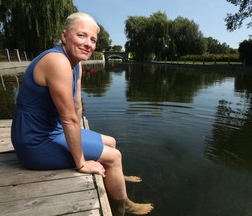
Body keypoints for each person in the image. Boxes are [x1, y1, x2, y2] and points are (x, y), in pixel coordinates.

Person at [11, 12, 153, 215]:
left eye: (93, 40)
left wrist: (85, 139)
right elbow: (68, 118)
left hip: (53, 130)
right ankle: (125, 206)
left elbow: (76, 106)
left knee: (111, 142)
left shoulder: (75, 63)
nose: (88, 44)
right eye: (81, 36)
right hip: (35, 141)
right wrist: (81, 163)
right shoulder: (57, 62)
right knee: (114, 156)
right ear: (64, 36)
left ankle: (117, 176)